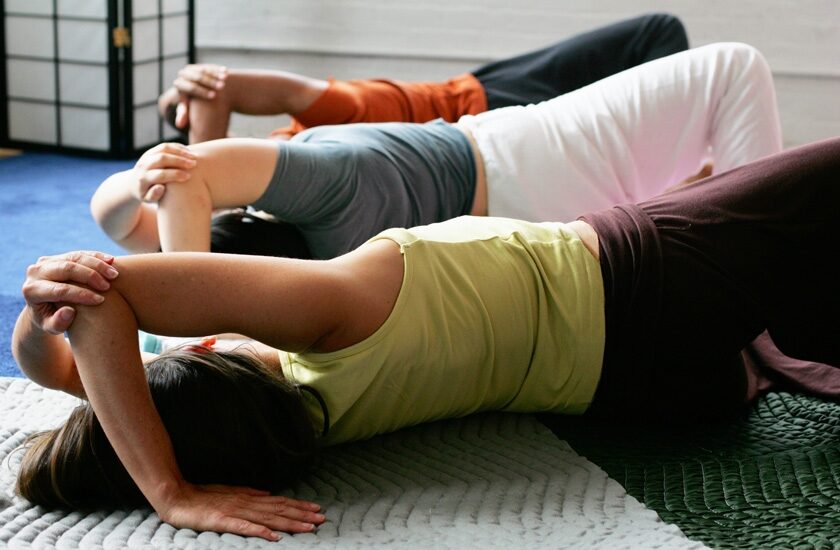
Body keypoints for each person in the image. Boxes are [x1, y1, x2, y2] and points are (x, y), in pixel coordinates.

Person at [13, 136, 840, 540]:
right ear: (198, 351)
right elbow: (102, 305)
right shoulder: (326, 318)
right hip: (649, 278)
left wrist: (32, 322)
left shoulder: (296, 420)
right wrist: (167, 492)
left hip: (652, 386)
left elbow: (68, 362)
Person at [92, 42, 781, 258]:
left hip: (528, 221)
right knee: (731, 67)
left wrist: (138, 183)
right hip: (519, 159)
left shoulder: (312, 278)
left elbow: (121, 218)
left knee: (697, 194)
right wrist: (188, 332)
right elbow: (184, 180)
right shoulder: (326, 181)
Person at [161, 13, 688, 144]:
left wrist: (177, 99)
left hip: (487, 95)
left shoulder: (334, 115)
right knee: (656, 36)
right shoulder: (323, 139)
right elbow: (222, 92)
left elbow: (220, 89)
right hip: (495, 118)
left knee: (655, 39)